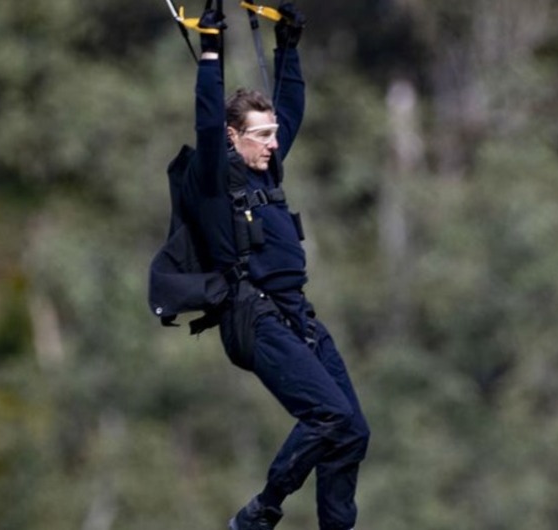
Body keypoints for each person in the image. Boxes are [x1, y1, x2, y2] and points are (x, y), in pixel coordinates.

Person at [180, 5, 370, 530]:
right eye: (260, 135)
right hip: (252, 316)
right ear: (233, 138)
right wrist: (212, 51)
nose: (272, 143)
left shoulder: (268, 172)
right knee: (327, 415)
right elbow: (204, 118)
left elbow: (291, 105)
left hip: (294, 314)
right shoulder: (217, 180)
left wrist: (289, 44)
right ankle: (260, 513)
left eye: (272, 133)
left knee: (352, 430)